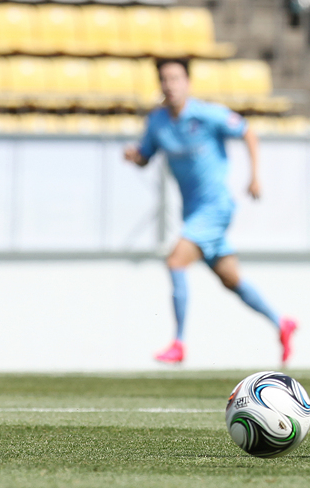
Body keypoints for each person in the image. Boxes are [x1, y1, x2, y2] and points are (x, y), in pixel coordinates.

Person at [124, 58, 297, 365]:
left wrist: (255, 176)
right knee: (231, 279)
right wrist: (134, 156)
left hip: (216, 207)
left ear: (187, 83)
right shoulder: (157, 123)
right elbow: (145, 157)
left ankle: (178, 343)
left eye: (176, 78)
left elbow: (248, 131)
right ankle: (281, 323)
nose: (170, 85)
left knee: (176, 260)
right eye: (165, 79)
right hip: (192, 212)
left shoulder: (207, 114)